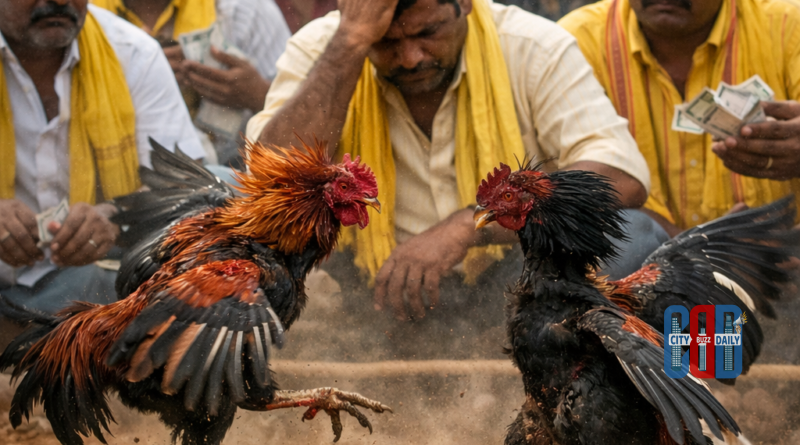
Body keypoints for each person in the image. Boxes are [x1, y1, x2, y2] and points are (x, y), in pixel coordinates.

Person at [247, 0, 654, 322]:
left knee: (633, 235)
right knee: (233, 242)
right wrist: (351, 42)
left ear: (465, 4)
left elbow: (620, 176)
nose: (410, 57)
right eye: (386, 41)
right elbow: (272, 179)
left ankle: (677, 371)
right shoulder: (328, 46)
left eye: (428, 32)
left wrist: (470, 225)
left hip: (516, 281)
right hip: (364, 288)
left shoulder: (533, 45)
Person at [0, 0, 204, 341]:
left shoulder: (133, 52)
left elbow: (184, 183)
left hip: (93, 279)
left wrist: (115, 217)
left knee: (221, 189)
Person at [559, 0, 800, 237]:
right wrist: (692, 246)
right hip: (643, 256)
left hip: (783, 252)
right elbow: (562, 193)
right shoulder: (574, 41)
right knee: (628, 235)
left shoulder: (788, 28)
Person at [92, 0, 291, 168]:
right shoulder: (86, 20)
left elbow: (302, 122)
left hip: (240, 176)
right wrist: (138, 76)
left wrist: (259, 95)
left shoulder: (245, 10)